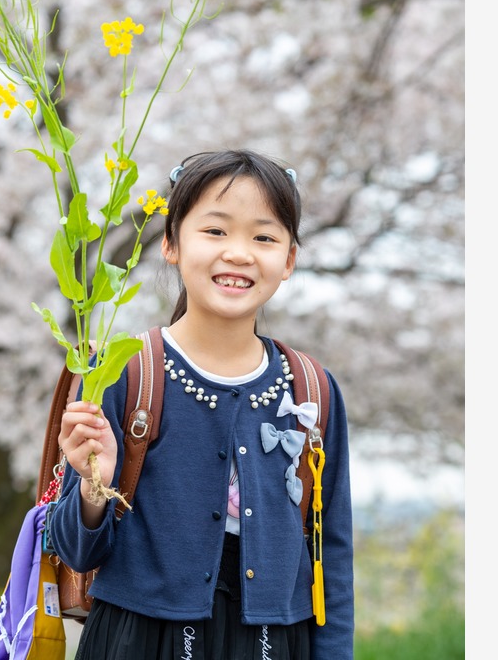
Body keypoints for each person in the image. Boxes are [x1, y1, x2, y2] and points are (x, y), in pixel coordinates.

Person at [48, 149, 354, 659]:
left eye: (264, 237)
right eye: (215, 231)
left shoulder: (312, 388)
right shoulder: (119, 369)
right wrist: (93, 484)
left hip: (275, 643)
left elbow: (332, 555)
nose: (239, 253)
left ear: (289, 260)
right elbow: (76, 552)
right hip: (136, 642)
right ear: (170, 243)